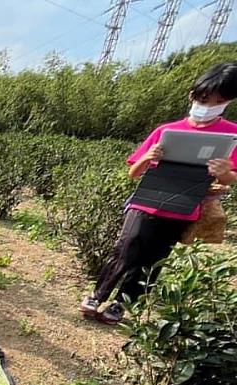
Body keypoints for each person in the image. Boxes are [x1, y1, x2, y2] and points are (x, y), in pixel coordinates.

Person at [80, 61, 237, 325]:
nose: (207, 106)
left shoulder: (231, 135)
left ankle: (121, 304)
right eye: (203, 99)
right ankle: (99, 294)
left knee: (153, 259)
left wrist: (224, 172)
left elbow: (231, 179)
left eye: (217, 101)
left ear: (228, 101)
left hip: (184, 205)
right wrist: (148, 158)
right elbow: (134, 172)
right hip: (147, 201)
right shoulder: (166, 130)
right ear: (192, 95)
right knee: (128, 246)